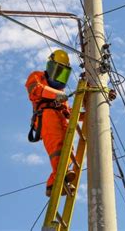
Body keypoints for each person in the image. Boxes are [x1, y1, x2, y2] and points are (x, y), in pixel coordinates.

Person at [25, 49, 75, 197]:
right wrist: (56, 94)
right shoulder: (37, 76)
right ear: (51, 66)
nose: (59, 76)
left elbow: (69, 113)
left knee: (68, 146)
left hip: (59, 116)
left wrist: (89, 111)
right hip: (45, 114)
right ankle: (59, 178)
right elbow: (36, 90)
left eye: (62, 73)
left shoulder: (60, 93)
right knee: (57, 144)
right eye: (57, 70)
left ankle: (55, 182)